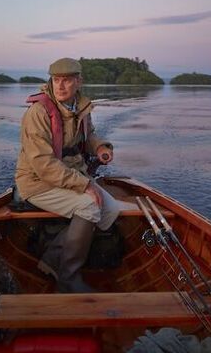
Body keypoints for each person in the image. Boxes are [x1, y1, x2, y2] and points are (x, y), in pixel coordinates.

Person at [14, 57, 125, 292]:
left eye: (67, 80)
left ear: (79, 82)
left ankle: (53, 257)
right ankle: (68, 277)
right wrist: (85, 185)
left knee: (111, 210)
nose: (60, 86)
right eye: (56, 80)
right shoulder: (38, 113)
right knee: (89, 206)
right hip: (37, 182)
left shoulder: (81, 108)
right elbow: (43, 165)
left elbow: (90, 134)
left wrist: (100, 147)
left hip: (70, 174)